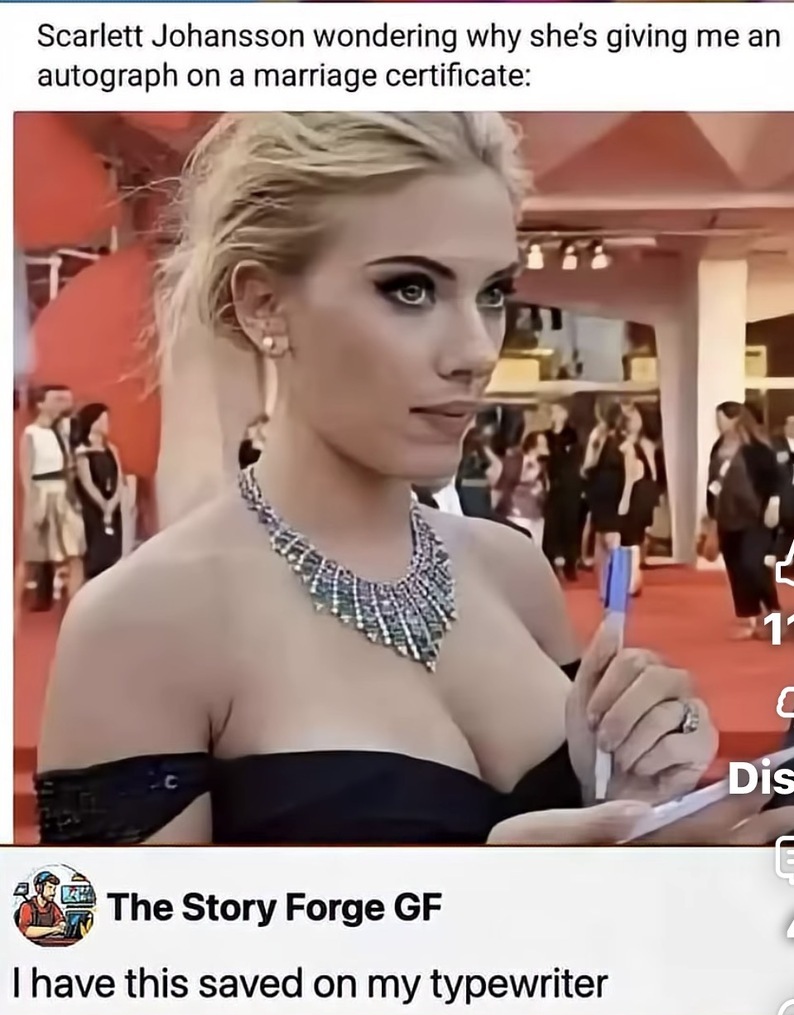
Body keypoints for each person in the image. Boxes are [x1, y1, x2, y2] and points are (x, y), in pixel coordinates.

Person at [36, 113, 790, 847]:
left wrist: (630, 803)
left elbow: (603, 891)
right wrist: (490, 901)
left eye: (492, 293)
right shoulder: (142, 623)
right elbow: (91, 933)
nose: (476, 350)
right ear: (265, 305)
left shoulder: (513, 571)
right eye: (410, 289)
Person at [705, 400, 781, 640]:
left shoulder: (756, 448)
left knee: (753, 565)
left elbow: (775, 478)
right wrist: (711, 516)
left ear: (735, 419)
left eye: (721, 419)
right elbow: (712, 483)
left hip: (754, 517)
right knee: (736, 569)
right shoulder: (719, 447)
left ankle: (774, 614)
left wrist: (773, 503)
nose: (718, 424)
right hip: (726, 516)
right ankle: (752, 620)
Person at [15, 385, 84, 621]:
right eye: (56, 399)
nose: (61, 404)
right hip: (41, 494)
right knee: (29, 559)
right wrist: (33, 507)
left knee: (74, 556)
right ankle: (13, 610)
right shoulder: (31, 433)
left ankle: (75, 613)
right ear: (40, 404)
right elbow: (26, 474)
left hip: (63, 494)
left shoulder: (63, 430)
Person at [582, 402, 637, 595]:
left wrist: (625, 499)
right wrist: (593, 442)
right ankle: (603, 588)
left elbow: (630, 476)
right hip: (599, 493)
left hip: (615, 495)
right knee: (600, 541)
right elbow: (588, 466)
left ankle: (617, 588)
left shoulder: (625, 444)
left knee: (613, 540)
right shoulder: (599, 440)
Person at [73, 403, 124, 580]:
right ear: (92, 422)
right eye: (103, 420)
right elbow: (87, 483)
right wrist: (103, 506)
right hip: (92, 508)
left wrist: (113, 503)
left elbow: (119, 478)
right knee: (96, 552)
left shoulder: (112, 449)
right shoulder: (82, 452)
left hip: (113, 507)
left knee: (114, 550)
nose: (106, 424)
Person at [619, 404, 660, 596]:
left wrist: (625, 499)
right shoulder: (643, 444)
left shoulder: (632, 446)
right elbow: (652, 473)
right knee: (635, 537)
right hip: (644, 491)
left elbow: (634, 476)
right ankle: (634, 578)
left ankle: (633, 579)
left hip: (638, 492)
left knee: (631, 538)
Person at [542, 401, 583, 582]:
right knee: (552, 525)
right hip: (553, 485)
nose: (552, 415)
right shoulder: (546, 436)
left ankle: (570, 563)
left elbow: (572, 457)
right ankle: (550, 562)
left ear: (564, 414)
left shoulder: (571, 435)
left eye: (556, 411)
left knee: (570, 524)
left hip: (570, 485)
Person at [16, 871, 66, 943]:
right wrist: (54, 929)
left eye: (54, 889)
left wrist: (62, 925)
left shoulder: (53, 906)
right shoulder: (27, 907)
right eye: (49, 888)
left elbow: (60, 921)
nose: (53, 893)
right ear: (39, 888)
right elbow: (26, 931)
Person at [771, 414, 794, 570]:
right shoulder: (776, 444)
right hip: (785, 492)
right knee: (785, 526)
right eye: (790, 424)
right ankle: (782, 561)